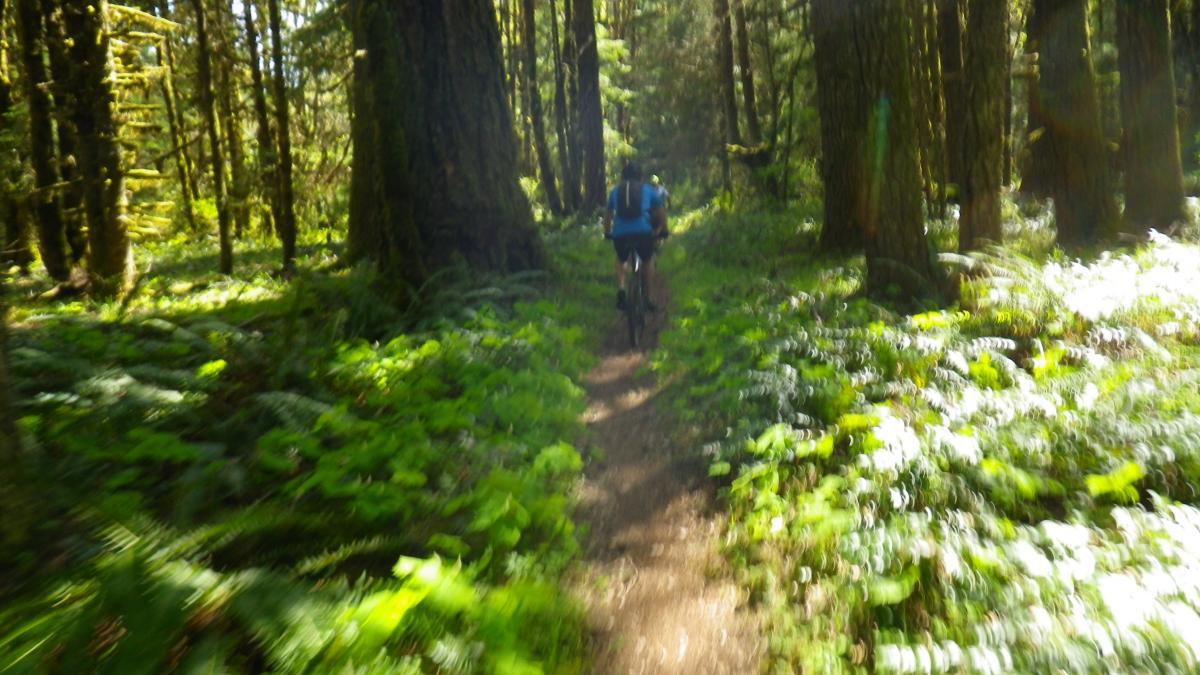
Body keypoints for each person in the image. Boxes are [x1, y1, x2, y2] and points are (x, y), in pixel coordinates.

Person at [604, 162, 667, 311]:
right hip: (643, 232)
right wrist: (664, 230)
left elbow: (608, 215)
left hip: (620, 234)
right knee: (647, 260)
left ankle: (621, 288)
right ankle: (649, 297)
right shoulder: (647, 190)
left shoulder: (615, 191)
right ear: (640, 176)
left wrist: (607, 232)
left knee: (620, 259)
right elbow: (661, 212)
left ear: (623, 177)